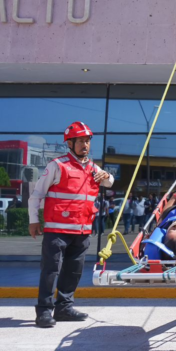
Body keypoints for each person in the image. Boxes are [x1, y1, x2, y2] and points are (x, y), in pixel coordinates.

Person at [29, 122, 113, 328]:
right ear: (70, 143)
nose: (85, 145)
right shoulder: (57, 165)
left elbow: (110, 182)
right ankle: (44, 312)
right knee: (50, 271)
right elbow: (37, 194)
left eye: (87, 141)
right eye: (81, 141)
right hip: (57, 230)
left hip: (82, 230)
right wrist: (33, 220)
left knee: (73, 271)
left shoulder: (93, 167)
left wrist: (107, 175)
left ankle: (64, 308)